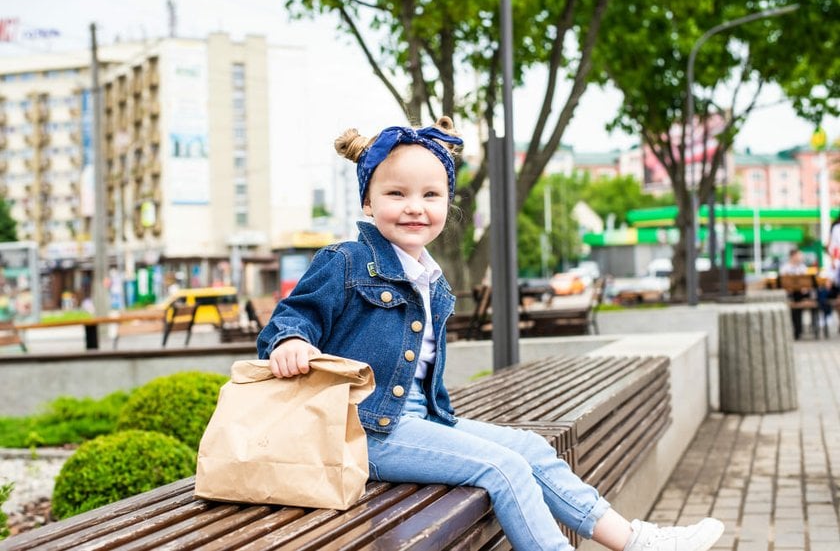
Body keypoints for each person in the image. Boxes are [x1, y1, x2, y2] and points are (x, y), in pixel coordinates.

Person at [256, 117, 724, 551]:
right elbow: (290, 318)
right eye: (396, 194)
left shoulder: (431, 278)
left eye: (431, 196)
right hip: (364, 430)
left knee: (531, 448)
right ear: (368, 201)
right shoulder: (346, 261)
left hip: (423, 419)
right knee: (503, 467)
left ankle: (636, 541)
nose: (415, 208)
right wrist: (292, 341)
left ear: (447, 203)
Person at [779, 248, 811, 340]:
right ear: (792, 256)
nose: (800, 257)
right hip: (790, 294)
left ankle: (798, 330)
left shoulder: (802, 267)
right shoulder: (785, 268)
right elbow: (782, 283)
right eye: (798, 255)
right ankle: (797, 330)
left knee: (798, 304)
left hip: (801, 294)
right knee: (794, 306)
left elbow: (807, 283)